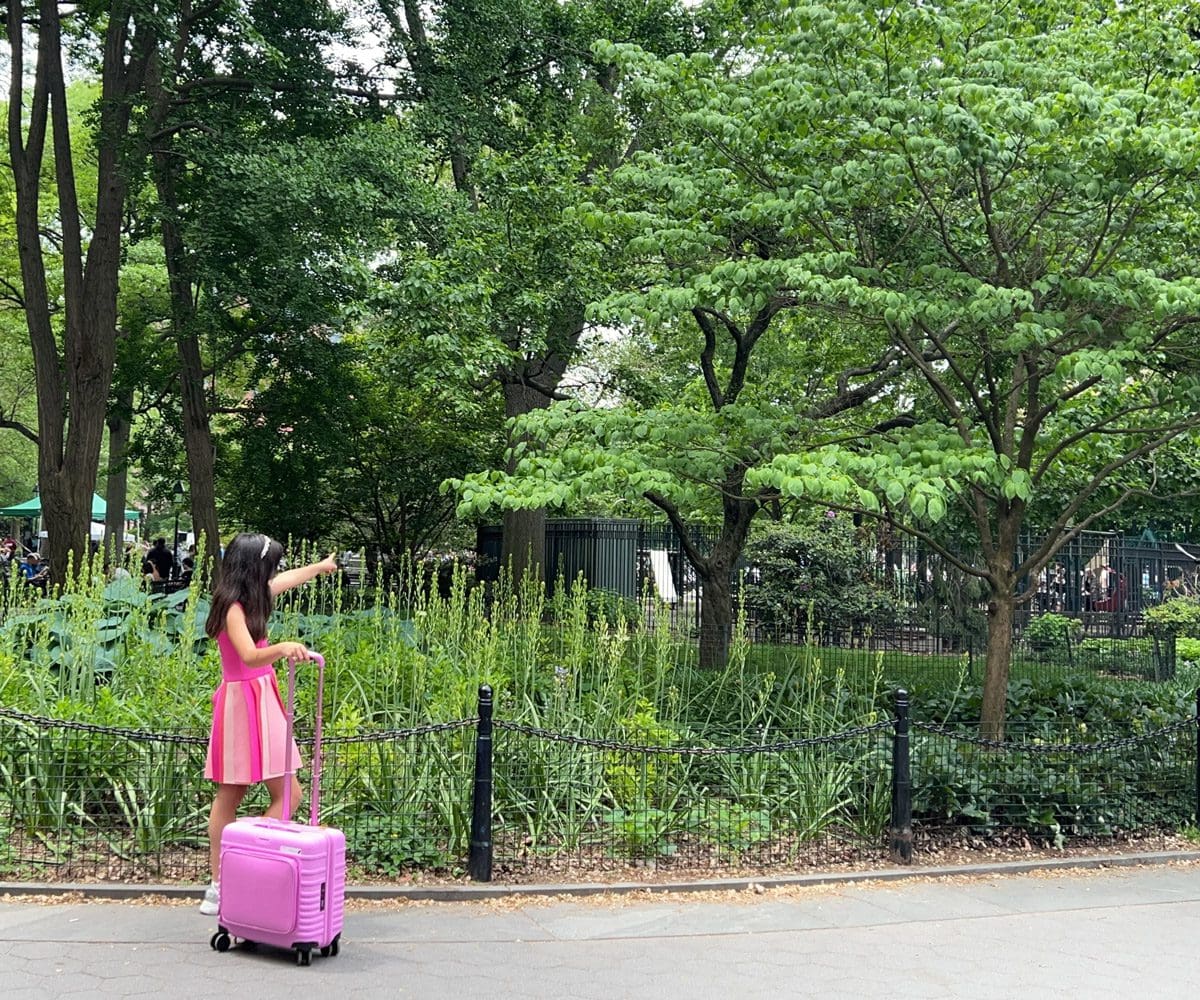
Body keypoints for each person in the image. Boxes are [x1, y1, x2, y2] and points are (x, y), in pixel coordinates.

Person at [199, 533, 338, 916]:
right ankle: (220, 882)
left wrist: (320, 568)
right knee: (232, 793)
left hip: (262, 698)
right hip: (242, 702)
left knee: (289, 793)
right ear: (253, 569)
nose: (273, 573)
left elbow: (286, 580)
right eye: (269, 566)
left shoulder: (254, 596)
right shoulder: (232, 609)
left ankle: (246, 860)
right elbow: (246, 654)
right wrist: (282, 648)